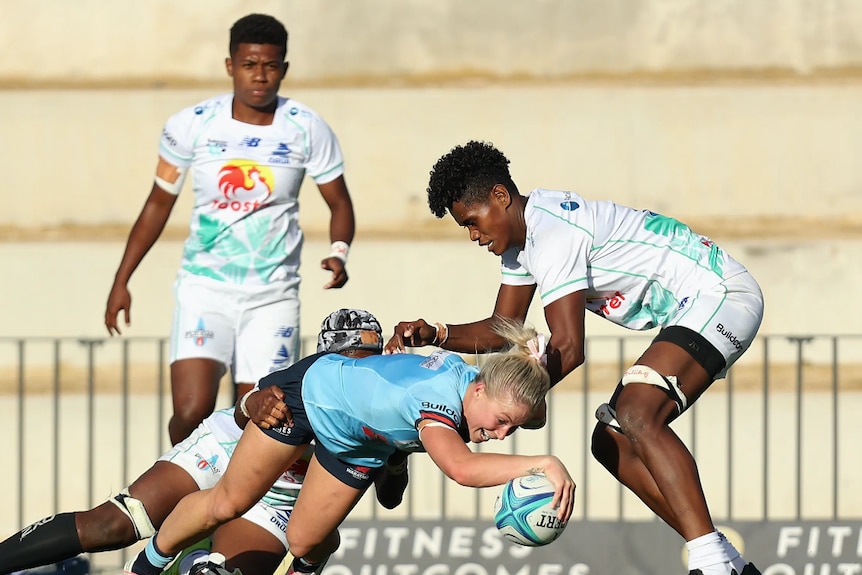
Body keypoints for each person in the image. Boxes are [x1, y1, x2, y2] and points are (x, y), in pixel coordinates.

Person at [385, 141, 764, 575]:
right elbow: (500, 327)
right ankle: (724, 558)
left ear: (500, 196)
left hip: (720, 294)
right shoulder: (525, 242)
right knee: (611, 440)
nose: (473, 236)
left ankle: (710, 561)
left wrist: (515, 405)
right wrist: (437, 333)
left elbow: (568, 347)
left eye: (472, 222)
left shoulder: (552, 234)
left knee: (638, 414)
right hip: (694, 304)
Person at [124, 319, 575, 575]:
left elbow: (531, 411)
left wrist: (527, 394)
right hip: (309, 397)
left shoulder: (475, 384)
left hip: (357, 442)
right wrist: (545, 462)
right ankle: (145, 567)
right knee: (229, 502)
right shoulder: (436, 407)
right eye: (499, 423)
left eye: (509, 429)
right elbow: (461, 469)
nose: (499, 435)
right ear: (477, 392)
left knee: (306, 540)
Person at [104, 13, 356, 446]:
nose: (260, 76)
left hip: (272, 295)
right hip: (205, 289)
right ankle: (177, 490)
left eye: (271, 65)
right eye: (249, 65)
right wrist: (122, 279)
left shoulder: (306, 127)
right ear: (230, 65)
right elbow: (157, 204)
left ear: (284, 69)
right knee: (190, 410)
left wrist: (339, 251)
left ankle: (231, 509)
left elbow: (340, 203)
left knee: (260, 415)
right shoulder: (193, 125)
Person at [0, 309, 385, 575]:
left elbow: (390, 496)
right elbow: (244, 409)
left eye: (369, 360)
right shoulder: (305, 378)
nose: (358, 371)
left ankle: (190, 558)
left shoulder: (384, 403)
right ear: (325, 358)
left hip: (280, 497)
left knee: (218, 570)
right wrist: (252, 402)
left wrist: (395, 461)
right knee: (112, 525)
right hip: (224, 452)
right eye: (350, 359)